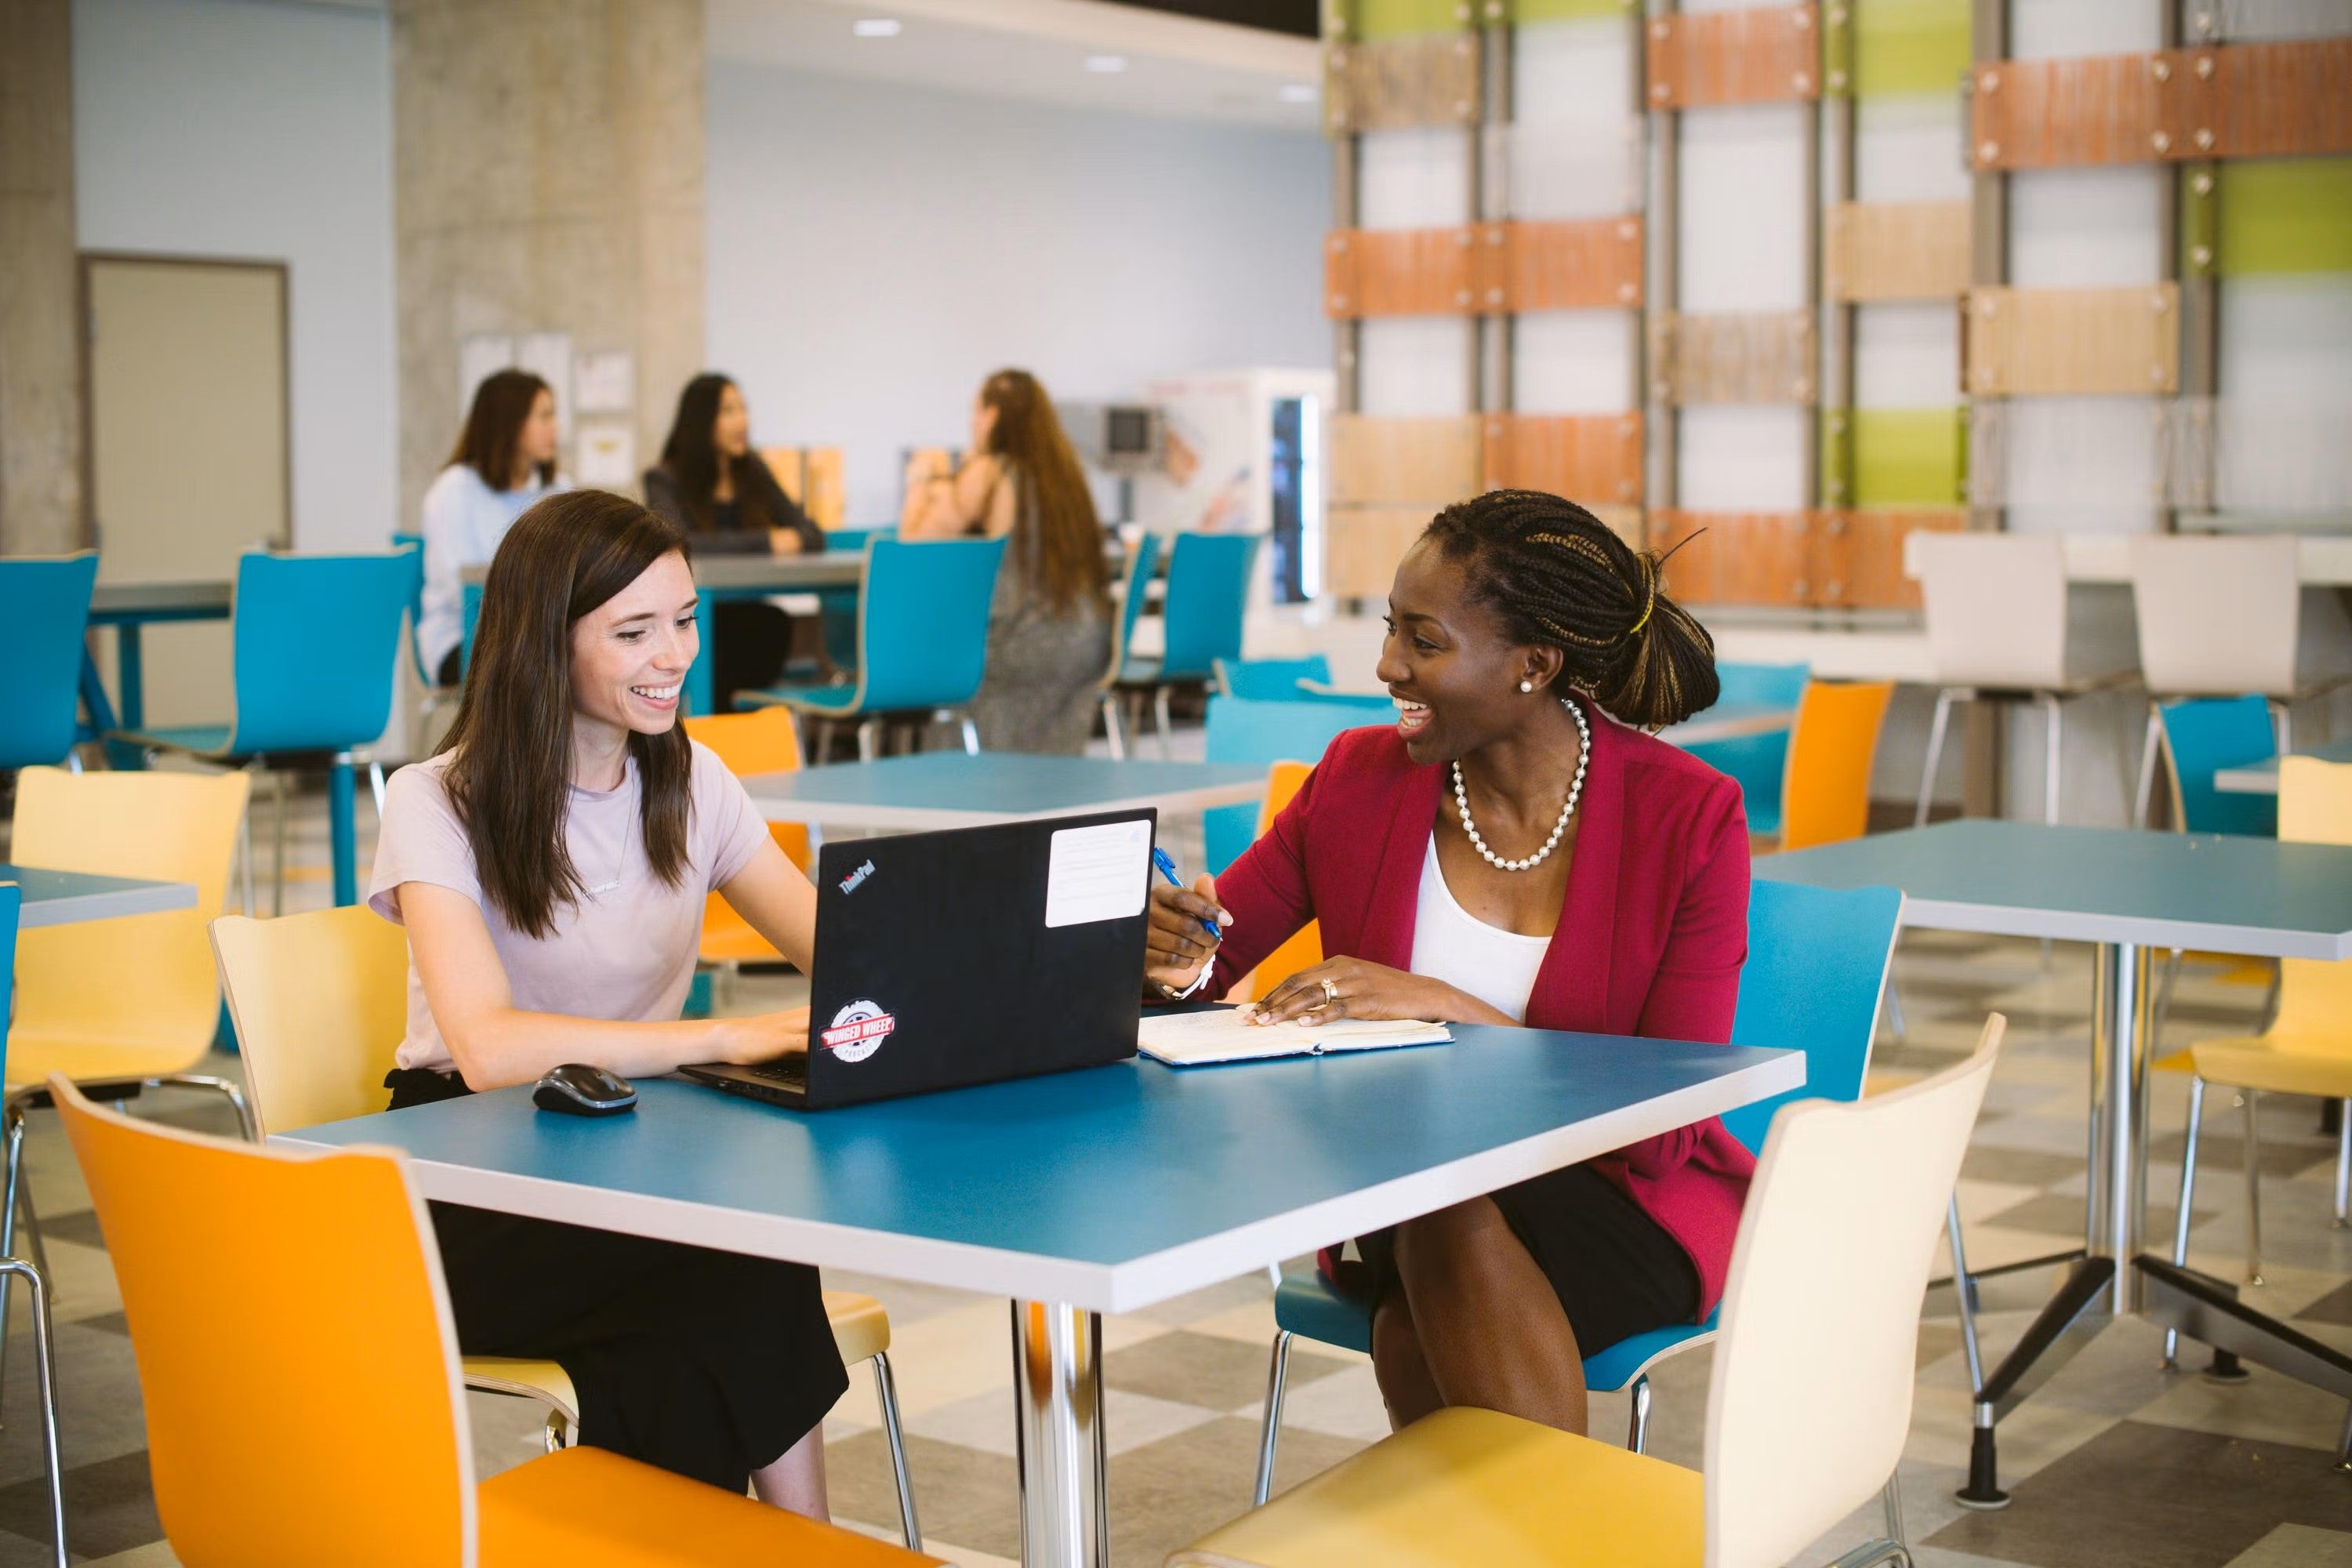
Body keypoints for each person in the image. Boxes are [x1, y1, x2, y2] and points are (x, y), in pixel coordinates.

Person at [1144, 490, 1748, 1439]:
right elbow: (1212, 964)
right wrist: (1174, 954)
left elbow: (1662, 1124)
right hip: (1402, 1185)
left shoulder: (1689, 816)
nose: (1387, 665)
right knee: (1440, 1195)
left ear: (1532, 665)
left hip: (1612, 1195)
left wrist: (1443, 1009)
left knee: (1413, 1309)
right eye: (1392, 629)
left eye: (1422, 640)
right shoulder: (1354, 778)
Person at [368, 489, 844, 1512]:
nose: (673, 654)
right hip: (462, 1182)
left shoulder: (694, 780)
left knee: (667, 1351)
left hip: (628, 1156)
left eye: (683, 620)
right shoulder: (436, 799)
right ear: (547, 642)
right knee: (736, 1257)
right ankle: (817, 1543)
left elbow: (835, 953)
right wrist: (722, 1032)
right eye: (634, 632)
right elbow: (490, 1051)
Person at [900, 368, 1110, 753]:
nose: (972, 422)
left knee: (948, 666)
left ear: (993, 416)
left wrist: (919, 483)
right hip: (1086, 645)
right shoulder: (1067, 478)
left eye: (975, 412)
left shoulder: (991, 470)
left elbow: (915, 547)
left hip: (1021, 645)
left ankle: (952, 791)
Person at [644, 373, 826, 710]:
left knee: (772, 624)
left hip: (750, 611)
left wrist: (784, 538)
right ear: (702, 421)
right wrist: (767, 541)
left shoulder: (753, 471)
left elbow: (811, 534)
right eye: (728, 411)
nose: (742, 420)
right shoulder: (664, 479)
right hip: (694, 615)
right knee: (730, 636)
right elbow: (677, 542)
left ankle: (738, 732)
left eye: (743, 408)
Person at [416, 369, 565, 688]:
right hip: (463, 637)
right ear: (509, 423)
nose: (555, 428)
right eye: (544, 416)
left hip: (541, 634)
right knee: (548, 663)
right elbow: (461, 589)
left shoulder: (559, 490)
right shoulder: (452, 491)